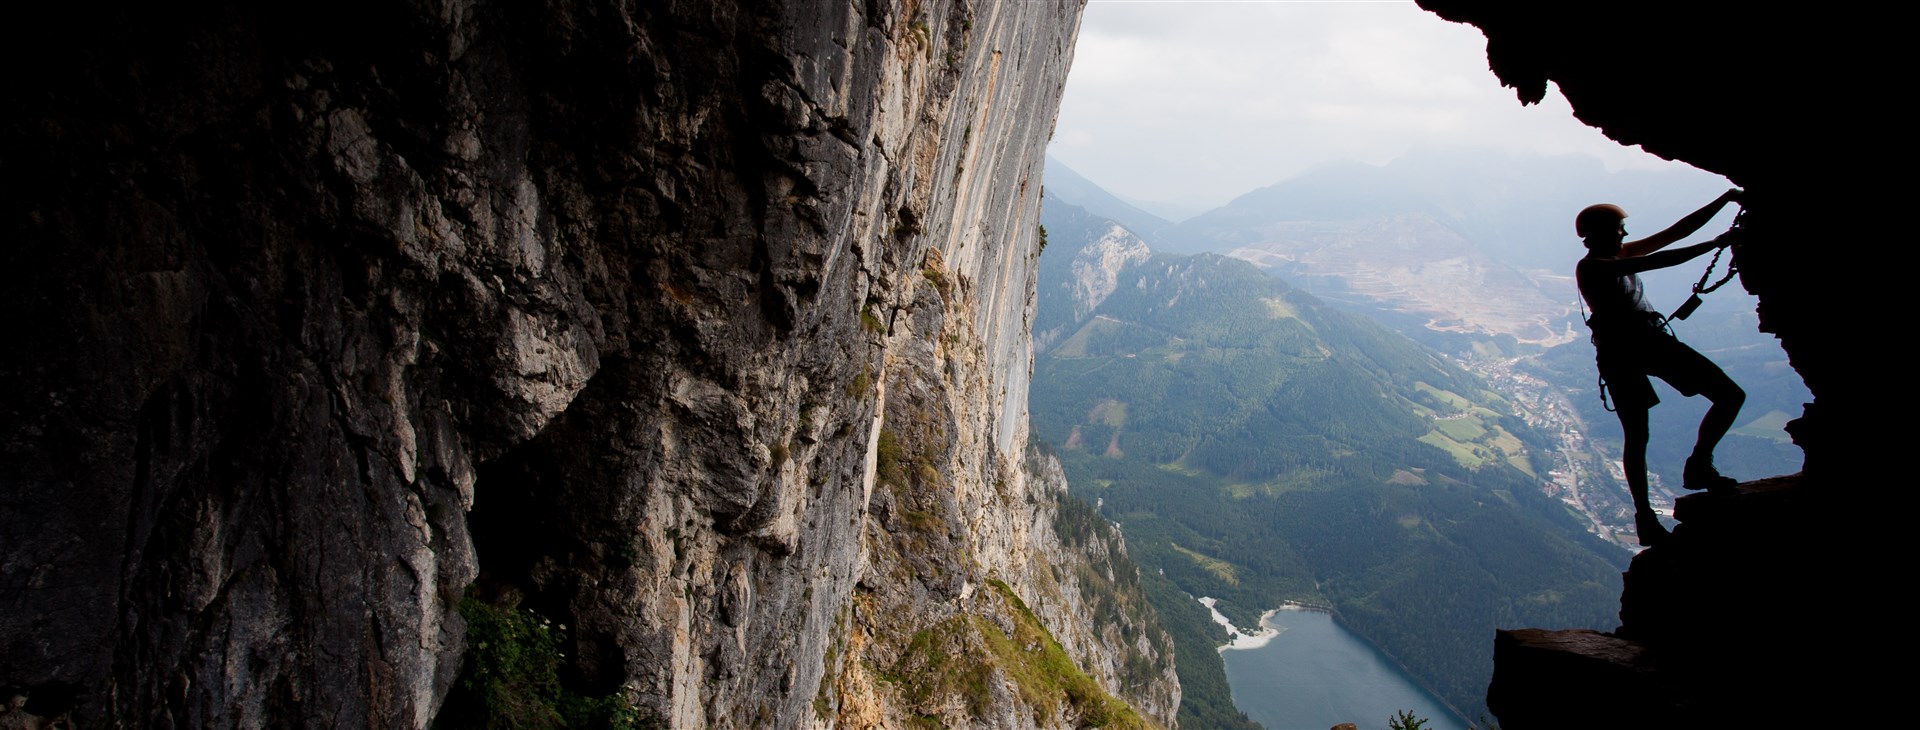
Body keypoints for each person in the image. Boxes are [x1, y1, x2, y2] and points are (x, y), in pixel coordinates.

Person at [1575, 190, 1746, 547]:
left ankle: (1695, 468)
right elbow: (1663, 258)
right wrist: (1718, 242)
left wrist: (1725, 199)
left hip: (1630, 349)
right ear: (1600, 233)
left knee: (1723, 398)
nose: (1624, 235)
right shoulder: (1592, 266)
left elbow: (1676, 232)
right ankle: (1654, 510)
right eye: (1620, 229)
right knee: (1642, 434)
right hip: (1637, 347)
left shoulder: (1618, 254)